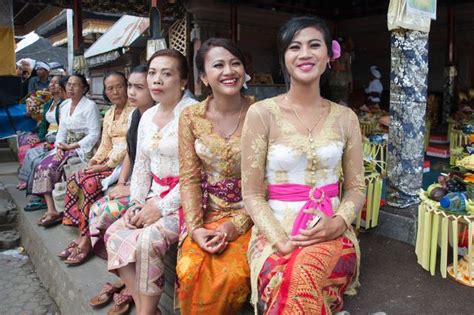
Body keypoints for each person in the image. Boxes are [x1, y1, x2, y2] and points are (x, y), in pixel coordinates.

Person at [241, 16, 366, 314]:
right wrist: (281, 241)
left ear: (329, 55)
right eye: (294, 47)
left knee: (302, 275)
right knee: (287, 276)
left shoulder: (345, 118)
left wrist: (337, 223)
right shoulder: (262, 114)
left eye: (314, 45)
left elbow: (356, 187)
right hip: (275, 233)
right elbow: (252, 194)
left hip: (333, 231)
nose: (305, 54)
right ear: (284, 58)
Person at [105, 49, 197, 315]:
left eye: (167, 74)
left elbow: (197, 173)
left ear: (183, 81)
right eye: (153, 73)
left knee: (147, 241)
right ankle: (147, 307)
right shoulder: (147, 116)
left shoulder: (192, 114)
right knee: (114, 233)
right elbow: (142, 166)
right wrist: (136, 203)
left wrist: (161, 207)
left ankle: (146, 312)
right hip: (152, 196)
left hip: (185, 199)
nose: (156, 80)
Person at [176, 38, 253, 315]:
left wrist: (237, 224)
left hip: (254, 213)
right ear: (203, 77)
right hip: (207, 213)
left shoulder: (262, 113)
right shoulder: (190, 117)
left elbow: (271, 177)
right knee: (188, 270)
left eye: (235, 63)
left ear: (244, 71)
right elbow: (189, 177)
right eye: (218, 65)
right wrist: (196, 230)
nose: (229, 71)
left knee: (230, 276)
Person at [60, 72, 133, 266]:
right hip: (108, 159)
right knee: (77, 177)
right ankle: (81, 233)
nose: (115, 91)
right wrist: (93, 162)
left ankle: (86, 242)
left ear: (127, 87)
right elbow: (105, 144)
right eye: (110, 88)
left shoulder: (134, 111)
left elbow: (128, 145)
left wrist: (104, 165)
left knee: (91, 183)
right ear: (105, 91)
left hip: (125, 161)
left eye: (119, 86)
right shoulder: (109, 113)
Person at [88, 65, 154, 259]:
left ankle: (124, 269)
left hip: (152, 189)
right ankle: (115, 265)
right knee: (98, 207)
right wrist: (121, 182)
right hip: (135, 179)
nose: (131, 92)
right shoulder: (136, 115)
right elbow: (131, 152)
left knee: (106, 212)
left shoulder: (156, 117)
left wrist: (131, 188)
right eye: (131, 86)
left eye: (139, 87)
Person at [32, 74, 101, 229]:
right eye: (69, 84)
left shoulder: (90, 106)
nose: (71, 87)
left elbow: (94, 134)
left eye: (75, 85)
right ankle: (52, 209)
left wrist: (73, 146)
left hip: (81, 147)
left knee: (51, 167)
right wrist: (58, 147)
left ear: (84, 88)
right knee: (41, 165)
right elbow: (62, 131)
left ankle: (58, 210)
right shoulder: (64, 105)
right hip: (65, 146)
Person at [18, 75, 65, 191]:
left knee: (35, 156)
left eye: (56, 83)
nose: (52, 85)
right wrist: (40, 138)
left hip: (56, 137)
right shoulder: (48, 104)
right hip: (48, 136)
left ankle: (33, 187)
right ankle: (25, 180)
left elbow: (63, 128)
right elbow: (44, 125)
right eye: (51, 82)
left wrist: (50, 141)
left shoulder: (64, 104)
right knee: (27, 150)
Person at [328, 37, 352, 105]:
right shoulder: (347, 55)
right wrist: (350, 81)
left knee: (335, 100)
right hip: (342, 81)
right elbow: (348, 69)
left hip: (333, 80)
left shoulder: (331, 55)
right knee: (343, 99)